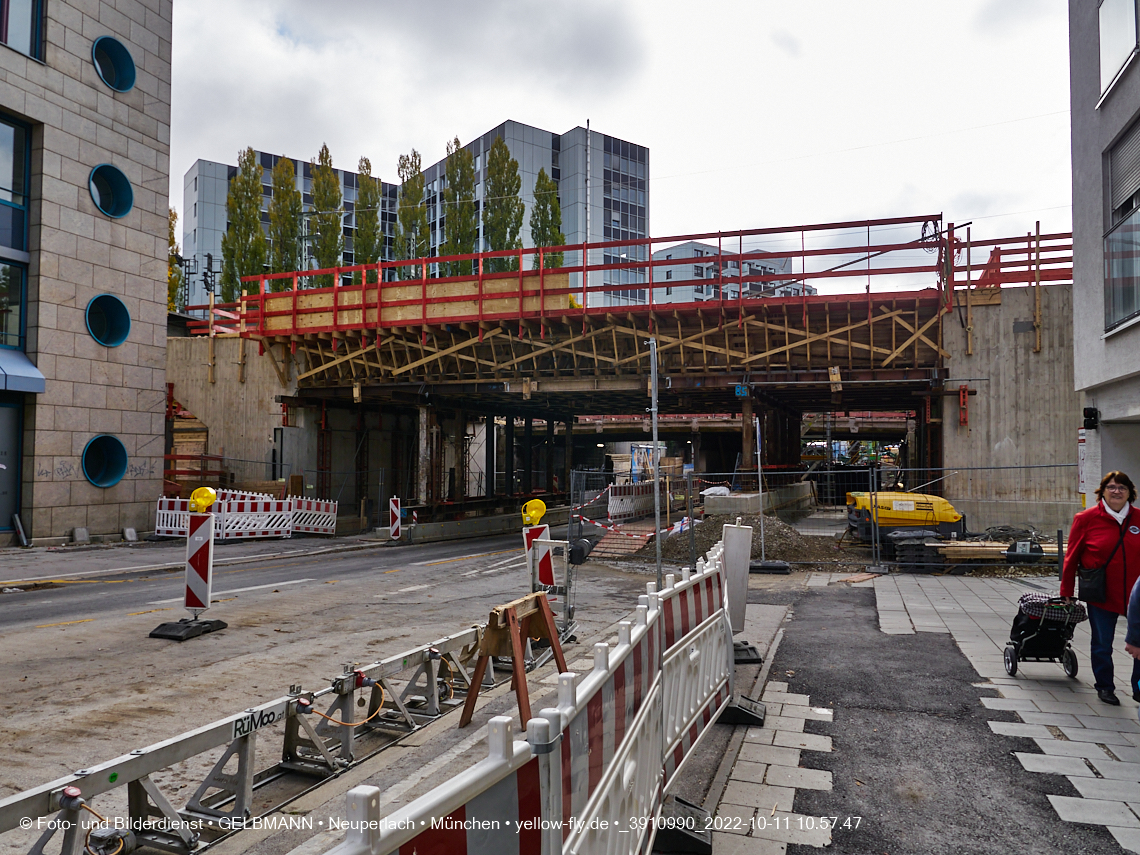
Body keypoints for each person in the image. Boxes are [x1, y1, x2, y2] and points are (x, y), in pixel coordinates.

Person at [1061, 471, 1140, 705]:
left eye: (1122, 488)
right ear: (1103, 490)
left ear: (1130, 493)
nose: (1117, 492)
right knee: (1102, 643)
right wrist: (1067, 591)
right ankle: (1105, 686)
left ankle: (1138, 686)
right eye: (1112, 487)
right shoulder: (1086, 518)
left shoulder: (1138, 518)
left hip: (1135, 595)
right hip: (1101, 593)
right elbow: (1071, 557)